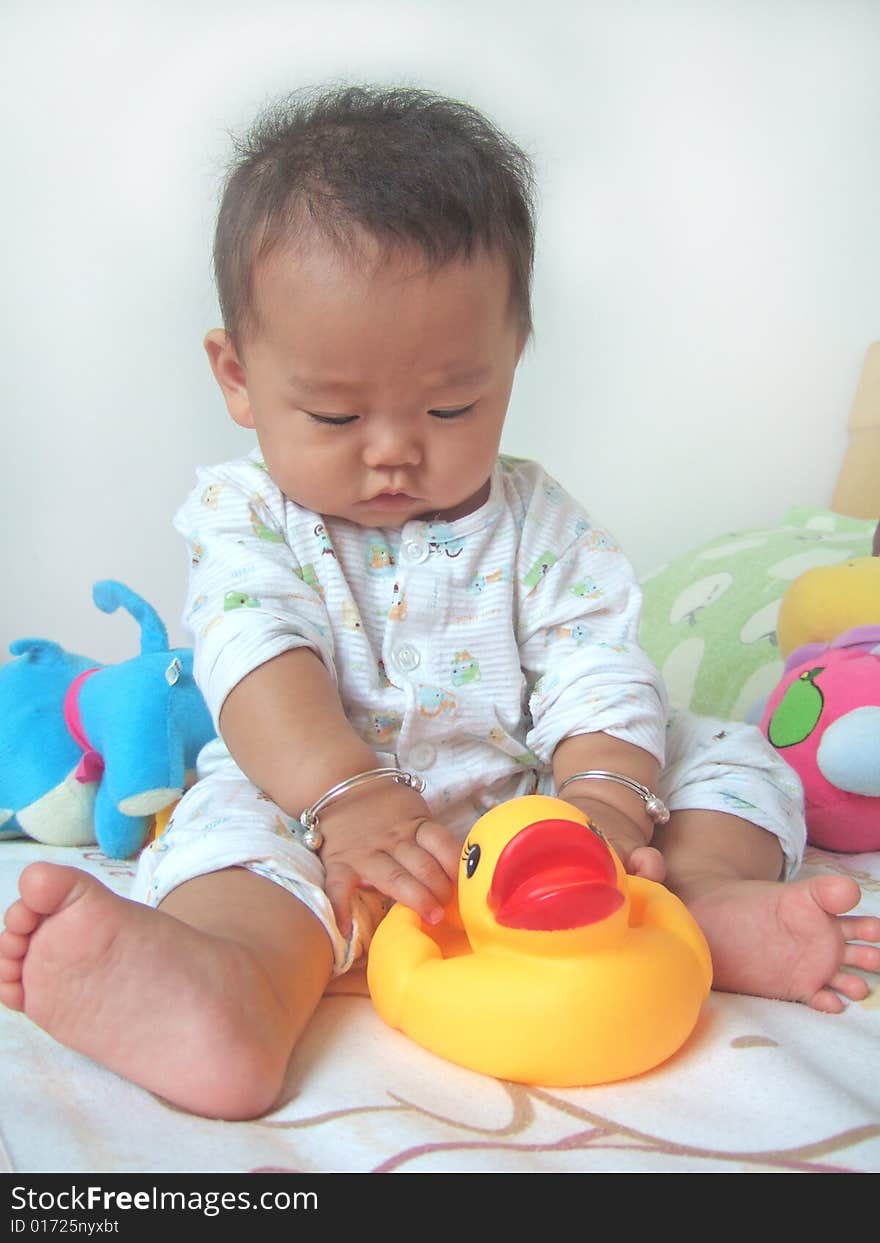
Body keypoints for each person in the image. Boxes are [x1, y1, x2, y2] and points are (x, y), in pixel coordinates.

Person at [1, 85, 878, 1122]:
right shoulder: (245, 514)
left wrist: (602, 794)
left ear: (509, 362)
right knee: (233, 844)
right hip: (316, 810)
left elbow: (595, 663)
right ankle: (226, 987)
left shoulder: (537, 518)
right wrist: (347, 796)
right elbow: (254, 651)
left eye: (450, 404)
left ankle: (694, 897)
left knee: (722, 754)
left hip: (532, 811)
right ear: (237, 377)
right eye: (334, 411)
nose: (392, 447)